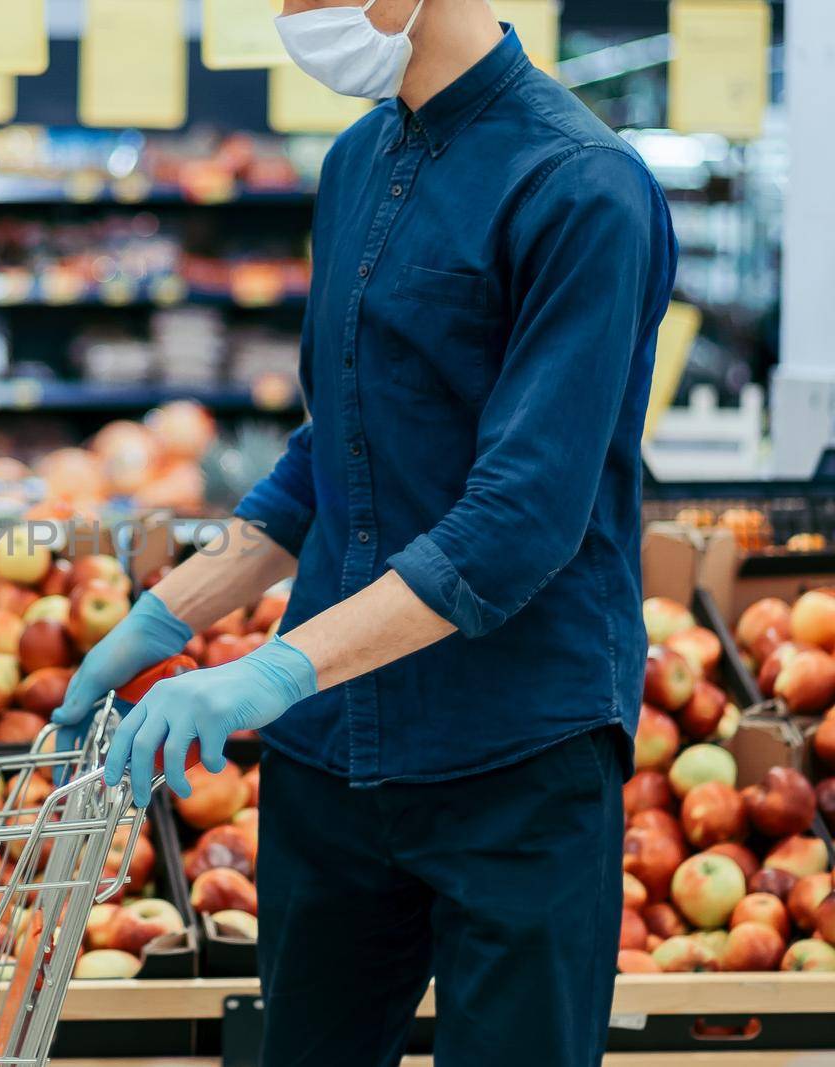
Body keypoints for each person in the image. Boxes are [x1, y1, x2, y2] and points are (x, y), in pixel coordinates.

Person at [55, 1, 676, 1063]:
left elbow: (518, 519)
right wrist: (165, 616)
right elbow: (332, 450)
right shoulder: (355, 162)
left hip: (516, 759)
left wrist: (270, 672)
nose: (294, 11)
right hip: (332, 761)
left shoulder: (582, 186)